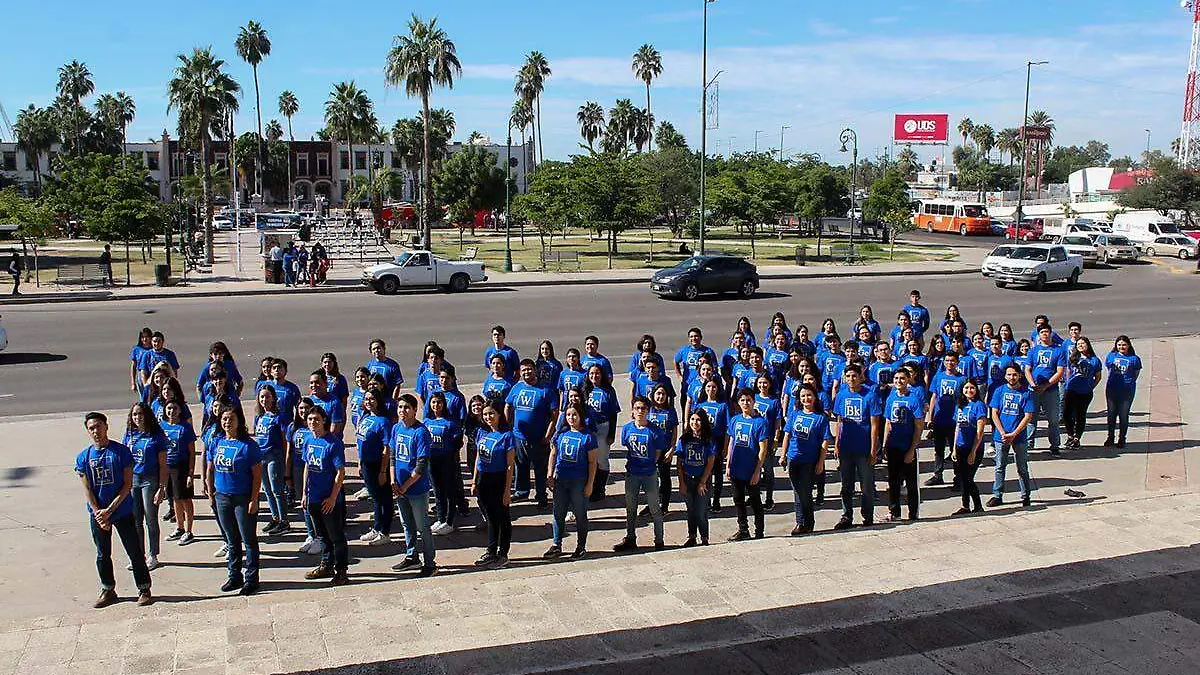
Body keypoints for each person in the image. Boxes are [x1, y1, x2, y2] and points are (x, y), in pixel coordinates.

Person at [78, 412, 153, 608]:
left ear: (106, 426)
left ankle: (144, 588)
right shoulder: (84, 457)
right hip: (98, 514)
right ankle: (108, 588)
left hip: (122, 511)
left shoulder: (121, 452)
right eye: (91, 428)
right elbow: (87, 488)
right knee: (103, 554)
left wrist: (110, 510)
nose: (96, 431)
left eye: (98, 426)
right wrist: (98, 512)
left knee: (134, 551)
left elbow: (127, 484)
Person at [206, 404, 263, 595]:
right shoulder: (218, 442)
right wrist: (210, 489)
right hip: (222, 496)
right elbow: (211, 467)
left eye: (231, 419)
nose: (227, 422)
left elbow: (257, 475)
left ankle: (252, 578)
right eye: (224, 419)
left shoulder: (248, 446)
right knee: (231, 540)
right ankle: (234, 575)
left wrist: (254, 499)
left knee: (248, 539)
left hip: (242, 497)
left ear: (239, 421)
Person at [388, 394, 437, 576]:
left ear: (415, 410)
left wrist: (406, 485)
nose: (403, 411)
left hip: (416, 488)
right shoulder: (396, 428)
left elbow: (421, 465)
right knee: (406, 524)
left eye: (407, 407)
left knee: (422, 526)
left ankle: (430, 563)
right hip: (400, 487)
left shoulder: (420, 432)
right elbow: (393, 456)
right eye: (400, 407)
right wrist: (393, 480)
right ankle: (411, 556)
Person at [301, 406, 350, 585]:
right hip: (312, 497)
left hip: (329, 499)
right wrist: (304, 493)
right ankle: (326, 565)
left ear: (324, 421)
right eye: (310, 419)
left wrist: (332, 497)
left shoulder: (333, 443)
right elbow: (307, 466)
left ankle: (342, 570)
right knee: (321, 536)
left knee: (336, 536)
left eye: (316, 419)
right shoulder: (308, 441)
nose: (313, 422)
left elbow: (340, 472)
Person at [613, 396, 667, 552]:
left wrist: (649, 465)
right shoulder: (627, 428)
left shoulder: (655, 431)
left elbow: (658, 453)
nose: (640, 411)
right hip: (632, 473)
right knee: (631, 508)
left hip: (649, 474)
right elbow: (627, 446)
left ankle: (659, 540)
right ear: (632, 410)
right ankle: (630, 537)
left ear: (648, 410)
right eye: (637, 408)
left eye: (643, 408)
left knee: (654, 508)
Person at [544, 403, 597, 559]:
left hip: (579, 481)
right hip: (561, 479)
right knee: (558, 513)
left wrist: (590, 484)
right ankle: (556, 544)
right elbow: (553, 454)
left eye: (574, 415)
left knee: (580, 514)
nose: (571, 418)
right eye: (568, 415)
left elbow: (592, 462)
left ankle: (581, 546)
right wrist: (550, 474)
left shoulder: (588, 437)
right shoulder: (561, 434)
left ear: (581, 416)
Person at [832, 365, 882, 529]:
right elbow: (839, 421)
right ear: (845, 378)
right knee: (846, 485)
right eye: (848, 376)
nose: (851, 379)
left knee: (866, 486)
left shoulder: (870, 395)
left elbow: (875, 425)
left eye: (855, 376)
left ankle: (867, 516)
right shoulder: (841, 395)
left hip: (864, 448)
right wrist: (837, 444)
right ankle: (846, 515)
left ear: (861, 377)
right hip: (846, 447)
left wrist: (874, 449)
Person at [506, 359, 559, 507]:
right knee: (520, 465)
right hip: (519, 436)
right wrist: (508, 424)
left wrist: (548, 435)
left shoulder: (545, 390)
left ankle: (541, 495)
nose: (526, 372)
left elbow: (554, 415)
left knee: (540, 468)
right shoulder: (517, 388)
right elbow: (508, 405)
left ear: (535, 370)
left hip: (539, 438)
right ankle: (522, 491)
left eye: (529, 369)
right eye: (523, 370)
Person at [123, 402, 169, 571]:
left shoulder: (156, 436)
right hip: (134, 479)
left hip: (150, 479)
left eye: (140, 414)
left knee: (151, 518)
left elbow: (164, 465)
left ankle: (153, 554)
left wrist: (162, 488)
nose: (137, 417)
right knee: (136, 519)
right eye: (134, 414)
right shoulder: (130, 435)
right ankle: (138, 555)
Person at [780, 385, 830, 535]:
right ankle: (800, 522)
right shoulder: (795, 414)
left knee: (805, 492)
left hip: (810, 460)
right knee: (797, 492)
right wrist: (783, 455)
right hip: (793, 458)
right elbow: (787, 435)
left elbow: (825, 441)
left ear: (815, 397)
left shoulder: (821, 418)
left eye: (809, 395)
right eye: (803, 396)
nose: (806, 399)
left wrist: (821, 462)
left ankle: (808, 522)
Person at [473, 401, 517, 569]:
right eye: (485, 414)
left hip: (499, 479)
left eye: (491, 414)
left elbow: (509, 465)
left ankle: (503, 553)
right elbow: (478, 456)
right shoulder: (482, 433)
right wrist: (475, 480)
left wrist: (507, 490)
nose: (488, 417)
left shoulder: (507, 436)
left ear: (499, 415)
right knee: (491, 518)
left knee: (503, 517)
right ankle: (491, 550)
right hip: (484, 479)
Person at [988, 365, 1036, 508]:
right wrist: (1003, 432)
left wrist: (1014, 434)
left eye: (1014, 374)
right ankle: (997, 495)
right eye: (1009, 374)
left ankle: (1025, 495)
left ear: (1019, 375)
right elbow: (994, 413)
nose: (1011, 377)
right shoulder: (999, 390)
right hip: (1001, 436)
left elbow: (1028, 416)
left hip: (1019, 436)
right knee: (999, 466)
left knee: (1022, 467)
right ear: (1005, 376)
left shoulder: (1026, 393)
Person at [726, 389, 770, 541]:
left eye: (748, 400)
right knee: (738, 500)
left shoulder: (760, 422)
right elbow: (732, 441)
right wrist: (728, 463)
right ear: (738, 403)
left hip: (751, 468)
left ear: (754, 401)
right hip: (736, 467)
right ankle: (743, 529)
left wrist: (757, 471)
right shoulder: (735, 420)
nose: (746, 403)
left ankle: (759, 531)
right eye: (742, 400)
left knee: (755, 501)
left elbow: (763, 449)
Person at [883, 369, 925, 521]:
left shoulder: (913, 399)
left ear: (908, 380)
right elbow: (888, 422)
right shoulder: (891, 397)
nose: (899, 381)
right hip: (893, 445)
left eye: (902, 378)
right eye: (896, 378)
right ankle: (894, 511)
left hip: (907, 445)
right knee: (893, 481)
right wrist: (884, 444)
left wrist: (912, 449)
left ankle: (913, 513)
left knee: (911, 482)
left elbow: (919, 425)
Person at [356, 389, 395, 545]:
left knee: (383, 499)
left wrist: (383, 471)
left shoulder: (383, 421)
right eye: (366, 399)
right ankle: (376, 527)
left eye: (372, 399)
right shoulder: (365, 418)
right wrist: (360, 461)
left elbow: (387, 448)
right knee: (375, 499)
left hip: (377, 464)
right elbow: (360, 442)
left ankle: (385, 531)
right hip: (366, 463)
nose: (368, 401)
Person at [424, 392, 464, 534]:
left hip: (446, 460)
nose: (436, 405)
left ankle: (449, 521)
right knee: (437, 491)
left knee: (449, 491)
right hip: (431, 461)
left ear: (444, 404)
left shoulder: (451, 422)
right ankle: (440, 518)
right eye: (433, 402)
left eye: (439, 402)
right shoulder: (427, 421)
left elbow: (458, 442)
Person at [1025, 325, 1067, 456]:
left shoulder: (1058, 350)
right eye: (1042, 332)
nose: (1045, 334)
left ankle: (1054, 445)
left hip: (1051, 390)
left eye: (1047, 332)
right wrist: (1032, 384)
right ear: (1038, 335)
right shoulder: (1033, 351)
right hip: (1034, 389)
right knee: (1031, 418)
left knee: (1053, 420)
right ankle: (1029, 442)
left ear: (1051, 334)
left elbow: (1060, 372)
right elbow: (1027, 369)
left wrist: (1046, 385)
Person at [676, 411, 716, 546]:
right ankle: (692, 536)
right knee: (690, 510)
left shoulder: (708, 440)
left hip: (702, 479)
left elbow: (710, 462)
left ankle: (704, 537)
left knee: (701, 511)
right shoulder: (684, 439)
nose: (695, 423)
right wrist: (681, 482)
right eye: (692, 419)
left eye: (698, 420)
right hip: (688, 479)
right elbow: (679, 463)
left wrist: (703, 482)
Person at [925, 353, 965, 487]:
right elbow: (934, 396)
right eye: (947, 360)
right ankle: (938, 475)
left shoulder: (962, 379)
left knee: (956, 450)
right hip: (939, 419)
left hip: (954, 421)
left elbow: (965, 401)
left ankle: (958, 478)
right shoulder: (939, 376)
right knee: (938, 449)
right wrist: (930, 417)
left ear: (957, 362)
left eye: (952, 360)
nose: (949, 363)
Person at [253, 386, 289, 536]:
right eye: (262, 397)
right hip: (261, 457)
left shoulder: (278, 417)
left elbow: (285, 441)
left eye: (267, 397)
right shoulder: (259, 417)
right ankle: (275, 518)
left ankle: (284, 521)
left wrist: (287, 463)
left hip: (275, 456)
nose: (264, 400)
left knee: (277, 490)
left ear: (273, 398)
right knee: (267, 490)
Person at [161, 400, 197, 545]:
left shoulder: (185, 428)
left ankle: (189, 531)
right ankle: (180, 527)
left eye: (174, 408)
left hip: (181, 467)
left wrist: (190, 473)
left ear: (179, 410)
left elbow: (192, 452)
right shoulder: (161, 426)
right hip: (167, 466)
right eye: (169, 408)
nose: (171, 411)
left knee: (185, 499)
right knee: (174, 498)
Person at [582, 364, 620, 501]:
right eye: (591, 373)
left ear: (602, 374)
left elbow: (613, 413)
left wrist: (611, 433)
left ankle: (600, 489)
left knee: (601, 460)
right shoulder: (585, 389)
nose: (594, 376)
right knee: (588, 459)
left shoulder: (608, 390)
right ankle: (589, 487)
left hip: (603, 427)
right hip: (587, 429)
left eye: (597, 373)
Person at [952, 380, 988, 514]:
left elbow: (980, 431)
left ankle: (978, 506)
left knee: (968, 478)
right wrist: (954, 448)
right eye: (966, 388)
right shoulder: (960, 405)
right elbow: (957, 427)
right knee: (962, 478)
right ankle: (965, 506)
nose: (969, 390)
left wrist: (973, 451)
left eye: (972, 388)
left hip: (973, 447)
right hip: (960, 446)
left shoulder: (979, 406)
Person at [694, 376, 730, 513]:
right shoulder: (700, 405)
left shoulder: (723, 405)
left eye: (714, 387)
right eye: (708, 387)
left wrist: (726, 447)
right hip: (703, 443)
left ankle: (716, 500)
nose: (711, 389)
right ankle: (706, 499)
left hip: (718, 442)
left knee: (717, 473)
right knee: (705, 473)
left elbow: (728, 428)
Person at [1063, 336, 1102, 449]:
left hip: (1085, 392)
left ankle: (1077, 438)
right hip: (1071, 389)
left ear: (1088, 345)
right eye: (1078, 344)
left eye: (1083, 343)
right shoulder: (1073, 358)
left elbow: (1098, 377)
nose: (1080, 345)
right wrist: (1067, 384)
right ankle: (1070, 435)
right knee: (1067, 414)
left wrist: (1090, 387)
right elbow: (1068, 372)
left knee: (1081, 415)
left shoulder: (1094, 360)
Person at [1104, 336, 1142, 449]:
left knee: (1123, 415)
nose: (1121, 347)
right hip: (1112, 389)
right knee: (1111, 414)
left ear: (1128, 345)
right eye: (1119, 345)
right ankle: (1110, 437)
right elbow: (1108, 369)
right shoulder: (1111, 356)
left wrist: (1128, 382)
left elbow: (1136, 374)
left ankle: (1122, 438)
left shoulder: (1134, 359)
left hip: (1127, 391)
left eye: (1124, 345)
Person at [129, 328, 154, 396]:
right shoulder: (137, 349)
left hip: (152, 374)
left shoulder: (154, 349)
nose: (145, 339)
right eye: (143, 337)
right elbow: (133, 366)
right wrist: (133, 383)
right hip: (141, 375)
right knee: (144, 397)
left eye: (147, 337)